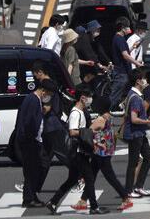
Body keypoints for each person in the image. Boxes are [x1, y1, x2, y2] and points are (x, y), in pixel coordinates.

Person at [46, 85, 99, 215]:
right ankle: (94, 207)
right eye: (89, 97)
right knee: (89, 178)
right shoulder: (76, 113)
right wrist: (88, 132)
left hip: (79, 151)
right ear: (82, 98)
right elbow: (72, 131)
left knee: (72, 179)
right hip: (78, 152)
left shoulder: (81, 112)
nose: (90, 99)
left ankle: (53, 202)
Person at [15, 79, 55, 208]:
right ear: (43, 91)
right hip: (30, 141)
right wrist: (32, 138)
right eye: (48, 94)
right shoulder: (33, 100)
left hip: (33, 140)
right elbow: (29, 122)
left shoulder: (34, 99)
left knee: (37, 167)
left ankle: (32, 195)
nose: (48, 97)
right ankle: (28, 198)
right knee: (32, 169)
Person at [122, 69, 150, 196]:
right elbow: (134, 119)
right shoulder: (135, 97)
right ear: (138, 81)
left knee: (148, 157)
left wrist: (147, 118)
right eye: (143, 79)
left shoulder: (133, 94)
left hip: (139, 133)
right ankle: (128, 190)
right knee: (133, 162)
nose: (145, 81)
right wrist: (146, 121)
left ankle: (138, 186)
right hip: (134, 134)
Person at [110, 17, 142, 107]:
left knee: (122, 93)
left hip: (123, 72)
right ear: (122, 28)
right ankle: (107, 111)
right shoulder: (119, 39)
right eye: (127, 27)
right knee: (115, 95)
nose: (129, 29)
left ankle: (118, 108)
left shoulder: (119, 38)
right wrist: (137, 63)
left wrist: (133, 47)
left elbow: (124, 53)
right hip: (121, 72)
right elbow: (125, 55)